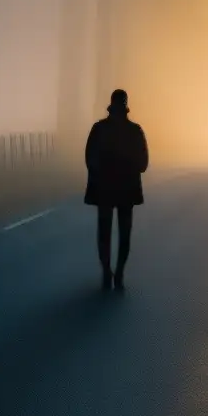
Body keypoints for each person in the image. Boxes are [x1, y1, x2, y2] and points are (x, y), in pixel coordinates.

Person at [84, 88, 149, 290]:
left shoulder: (98, 129)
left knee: (104, 233)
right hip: (127, 191)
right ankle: (119, 272)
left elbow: (90, 159)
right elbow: (143, 164)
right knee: (124, 234)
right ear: (125, 106)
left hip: (103, 190)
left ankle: (106, 271)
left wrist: (101, 174)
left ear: (111, 106)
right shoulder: (135, 131)